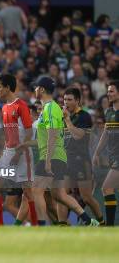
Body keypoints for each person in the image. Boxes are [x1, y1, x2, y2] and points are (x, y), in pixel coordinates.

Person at [32, 76, 99, 226]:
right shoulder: (51, 107)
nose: (34, 89)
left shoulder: (49, 107)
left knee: (36, 190)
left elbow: (53, 134)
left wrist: (47, 160)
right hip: (59, 156)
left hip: (51, 156)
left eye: (36, 87)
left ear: (42, 89)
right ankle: (89, 221)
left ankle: (41, 228)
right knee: (59, 195)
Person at [0, 74, 38, 226]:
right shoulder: (4, 108)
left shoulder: (21, 106)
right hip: (9, 152)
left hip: (23, 153)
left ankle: (36, 225)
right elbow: (9, 133)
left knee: (28, 192)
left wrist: (18, 152)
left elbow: (29, 133)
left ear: (8, 87)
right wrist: (4, 152)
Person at [60, 87, 104, 224]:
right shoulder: (64, 117)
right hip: (67, 161)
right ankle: (61, 225)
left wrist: (67, 121)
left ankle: (101, 223)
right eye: (65, 99)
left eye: (69, 99)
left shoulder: (84, 116)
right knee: (62, 195)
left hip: (81, 161)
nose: (66, 102)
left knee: (86, 198)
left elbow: (78, 136)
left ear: (77, 101)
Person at [92, 80, 119, 226]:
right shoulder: (109, 112)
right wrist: (97, 152)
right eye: (108, 91)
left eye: (112, 91)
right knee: (108, 189)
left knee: (106, 188)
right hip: (114, 157)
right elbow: (106, 133)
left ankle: (109, 227)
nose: (108, 94)